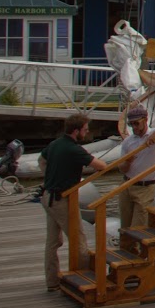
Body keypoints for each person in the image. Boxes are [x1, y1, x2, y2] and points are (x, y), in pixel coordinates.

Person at [40, 113, 107, 291]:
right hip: (62, 200)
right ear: (76, 131)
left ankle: (52, 281)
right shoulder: (74, 149)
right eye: (85, 129)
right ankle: (84, 279)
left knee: (52, 242)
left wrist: (51, 177)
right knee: (78, 239)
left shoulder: (55, 144)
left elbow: (42, 160)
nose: (87, 132)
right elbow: (101, 166)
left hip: (48, 196)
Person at [117, 105, 155, 228]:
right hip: (127, 185)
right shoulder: (128, 142)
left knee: (138, 225)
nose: (134, 127)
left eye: (136, 124)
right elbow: (121, 168)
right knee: (125, 225)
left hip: (145, 187)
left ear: (145, 120)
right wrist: (127, 162)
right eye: (131, 124)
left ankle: (137, 246)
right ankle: (126, 246)